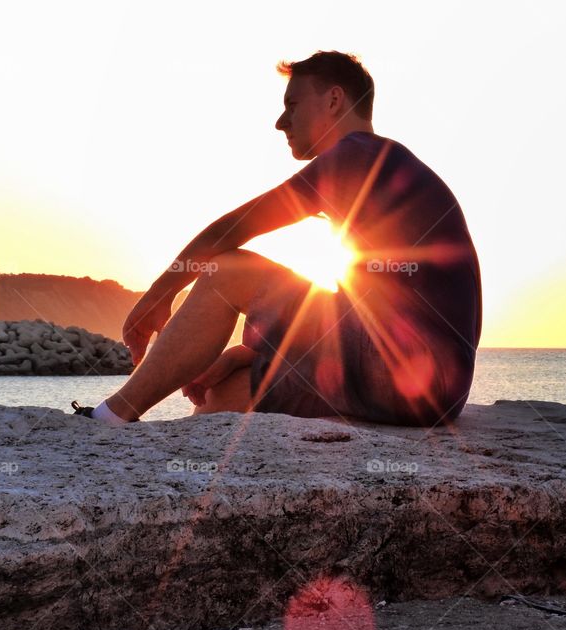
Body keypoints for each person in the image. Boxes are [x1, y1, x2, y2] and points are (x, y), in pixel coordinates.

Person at [72, 50, 481, 427]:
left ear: (334, 100)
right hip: (429, 392)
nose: (281, 122)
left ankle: (110, 419)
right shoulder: (383, 164)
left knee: (228, 269)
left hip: (406, 370)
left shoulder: (357, 157)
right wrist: (252, 352)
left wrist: (158, 297)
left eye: (292, 105)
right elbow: (371, 311)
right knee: (223, 394)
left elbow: (232, 228)